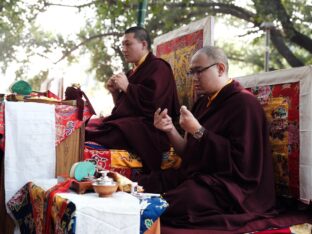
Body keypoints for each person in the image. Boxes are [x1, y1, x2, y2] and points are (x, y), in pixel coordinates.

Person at [140, 46, 278, 231]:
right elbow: (187, 152)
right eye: (192, 72)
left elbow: (243, 165)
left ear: (220, 68)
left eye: (199, 71)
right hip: (201, 177)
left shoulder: (244, 104)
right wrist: (170, 129)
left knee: (178, 201)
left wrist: (198, 130)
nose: (194, 78)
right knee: (147, 183)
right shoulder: (203, 102)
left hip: (234, 188)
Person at [85, 26, 180, 173]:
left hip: (150, 129)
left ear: (143, 44)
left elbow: (155, 105)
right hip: (131, 125)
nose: (123, 49)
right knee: (92, 124)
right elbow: (125, 108)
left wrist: (128, 87)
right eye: (122, 44)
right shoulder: (132, 72)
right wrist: (115, 93)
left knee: (99, 131)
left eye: (128, 44)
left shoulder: (159, 67)